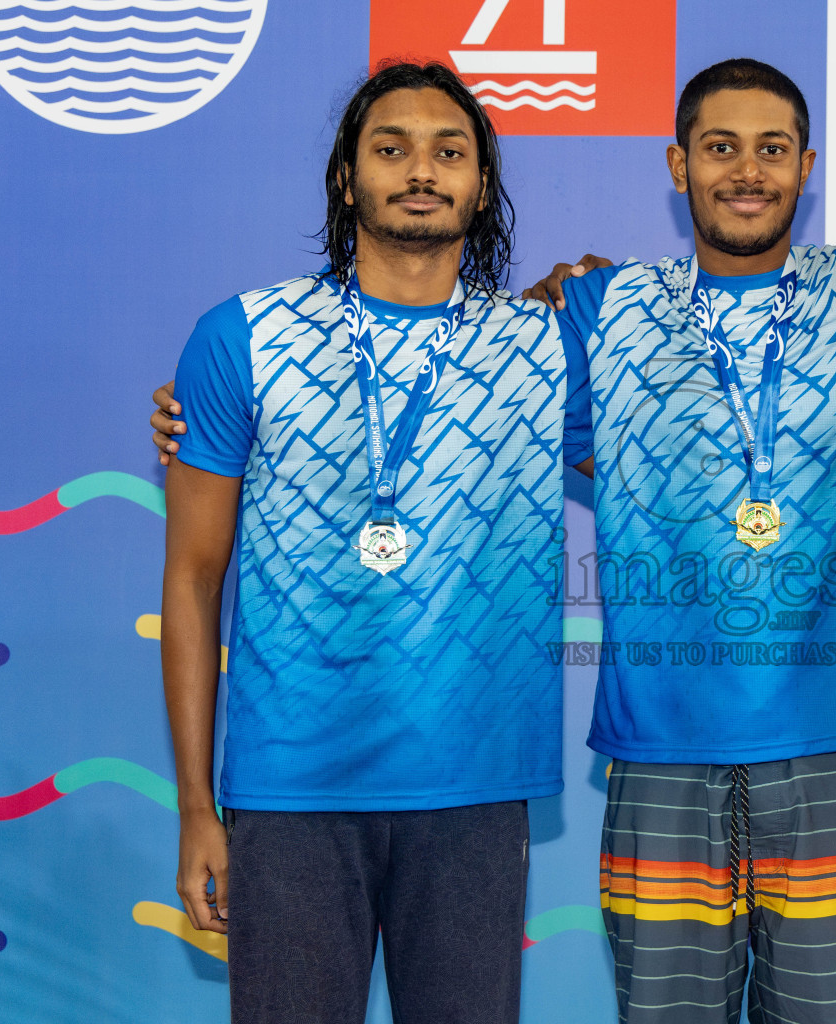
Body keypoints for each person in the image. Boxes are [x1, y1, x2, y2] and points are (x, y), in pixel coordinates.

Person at [153, 58, 836, 1024]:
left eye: (774, 148)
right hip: (654, 761)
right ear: (677, 167)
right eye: (721, 147)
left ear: (807, 167)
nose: (748, 169)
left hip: (833, 749)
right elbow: (432, 368)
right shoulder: (590, 313)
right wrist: (204, 414)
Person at [160, 61, 569, 1024]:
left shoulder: (548, 345)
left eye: (449, 151)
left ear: (481, 182)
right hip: (289, 789)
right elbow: (191, 575)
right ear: (348, 178)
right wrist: (193, 808)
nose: (420, 170)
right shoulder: (239, 339)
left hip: (474, 785)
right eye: (391, 149)